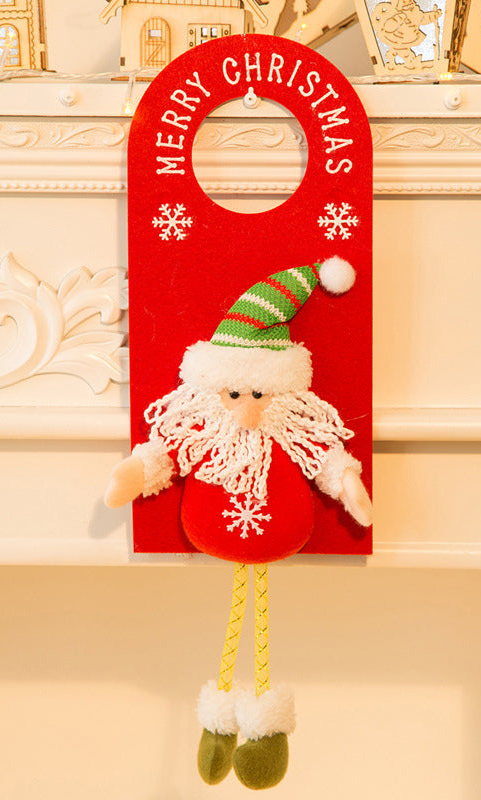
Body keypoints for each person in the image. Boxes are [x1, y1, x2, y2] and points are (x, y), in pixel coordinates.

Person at [104, 256, 372, 789]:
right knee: (238, 623)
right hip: (219, 534)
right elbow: (166, 454)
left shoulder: (292, 431)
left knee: (258, 626)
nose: (247, 412)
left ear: (283, 390)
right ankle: (218, 726)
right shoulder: (202, 429)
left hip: (279, 533)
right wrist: (135, 473)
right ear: (214, 388)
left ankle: (267, 734)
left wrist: (348, 483)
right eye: (235, 396)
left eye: (259, 396)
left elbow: (323, 458)